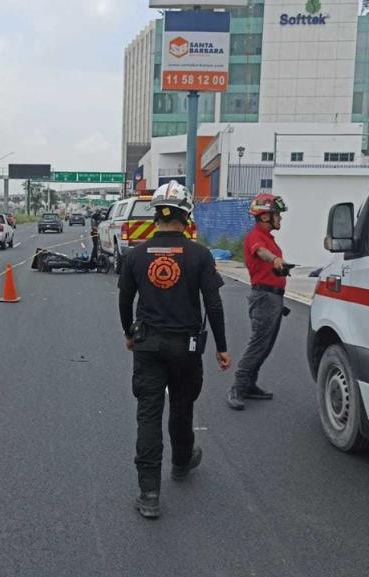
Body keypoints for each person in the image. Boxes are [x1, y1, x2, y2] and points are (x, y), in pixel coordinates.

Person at [118, 180, 231, 519]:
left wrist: (128, 333)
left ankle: (149, 493)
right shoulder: (199, 254)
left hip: (148, 345)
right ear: (187, 216)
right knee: (182, 407)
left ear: (156, 216)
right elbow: (213, 303)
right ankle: (182, 462)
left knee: (148, 415)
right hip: (187, 348)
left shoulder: (137, 254)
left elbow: (125, 301)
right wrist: (222, 348)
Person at [228, 193, 290, 410]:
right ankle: (238, 386)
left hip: (273, 298)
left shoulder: (270, 238)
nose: (280, 219)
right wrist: (274, 259)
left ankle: (250, 384)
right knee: (258, 344)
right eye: (277, 215)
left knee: (266, 345)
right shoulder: (255, 236)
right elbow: (260, 253)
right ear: (264, 217)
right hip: (264, 298)